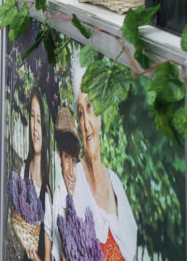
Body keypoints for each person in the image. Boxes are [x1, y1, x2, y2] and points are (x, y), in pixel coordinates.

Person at [72, 89, 137, 260]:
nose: (86, 124)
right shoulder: (73, 179)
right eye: (80, 114)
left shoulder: (115, 181)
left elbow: (131, 252)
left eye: (90, 107)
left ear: (100, 115)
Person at [22, 92, 54, 261]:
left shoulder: (49, 191)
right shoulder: (24, 169)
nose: (34, 127)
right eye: (32, 117)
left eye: (40, 121)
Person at [52, 106, 80, 261]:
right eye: (66, 158)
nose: (71, 170)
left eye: (74, 160)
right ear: (58, 155)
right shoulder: (58, 198)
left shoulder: (80, 194)